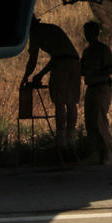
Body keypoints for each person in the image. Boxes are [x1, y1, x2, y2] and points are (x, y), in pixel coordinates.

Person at [21, 17, 82, 151]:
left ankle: (61, 140)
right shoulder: (52, 28)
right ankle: (70, 138)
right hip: (75, 63)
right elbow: (60, 55)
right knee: (71, 102)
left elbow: (33, 60)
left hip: (62, 65)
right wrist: (41, 74)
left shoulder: (36, 32)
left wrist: (25, 77)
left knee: (60, 102)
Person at [80, 21, 112, 165]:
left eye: (89, 31)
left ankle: (108, 152)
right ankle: (94, 152)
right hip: (91, 87)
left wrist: (95, 71)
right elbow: (82, 70)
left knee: (99, 119)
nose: (87, 35)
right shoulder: (87, 51)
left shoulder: (103, 49)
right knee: (90, 120)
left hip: (102, 86)